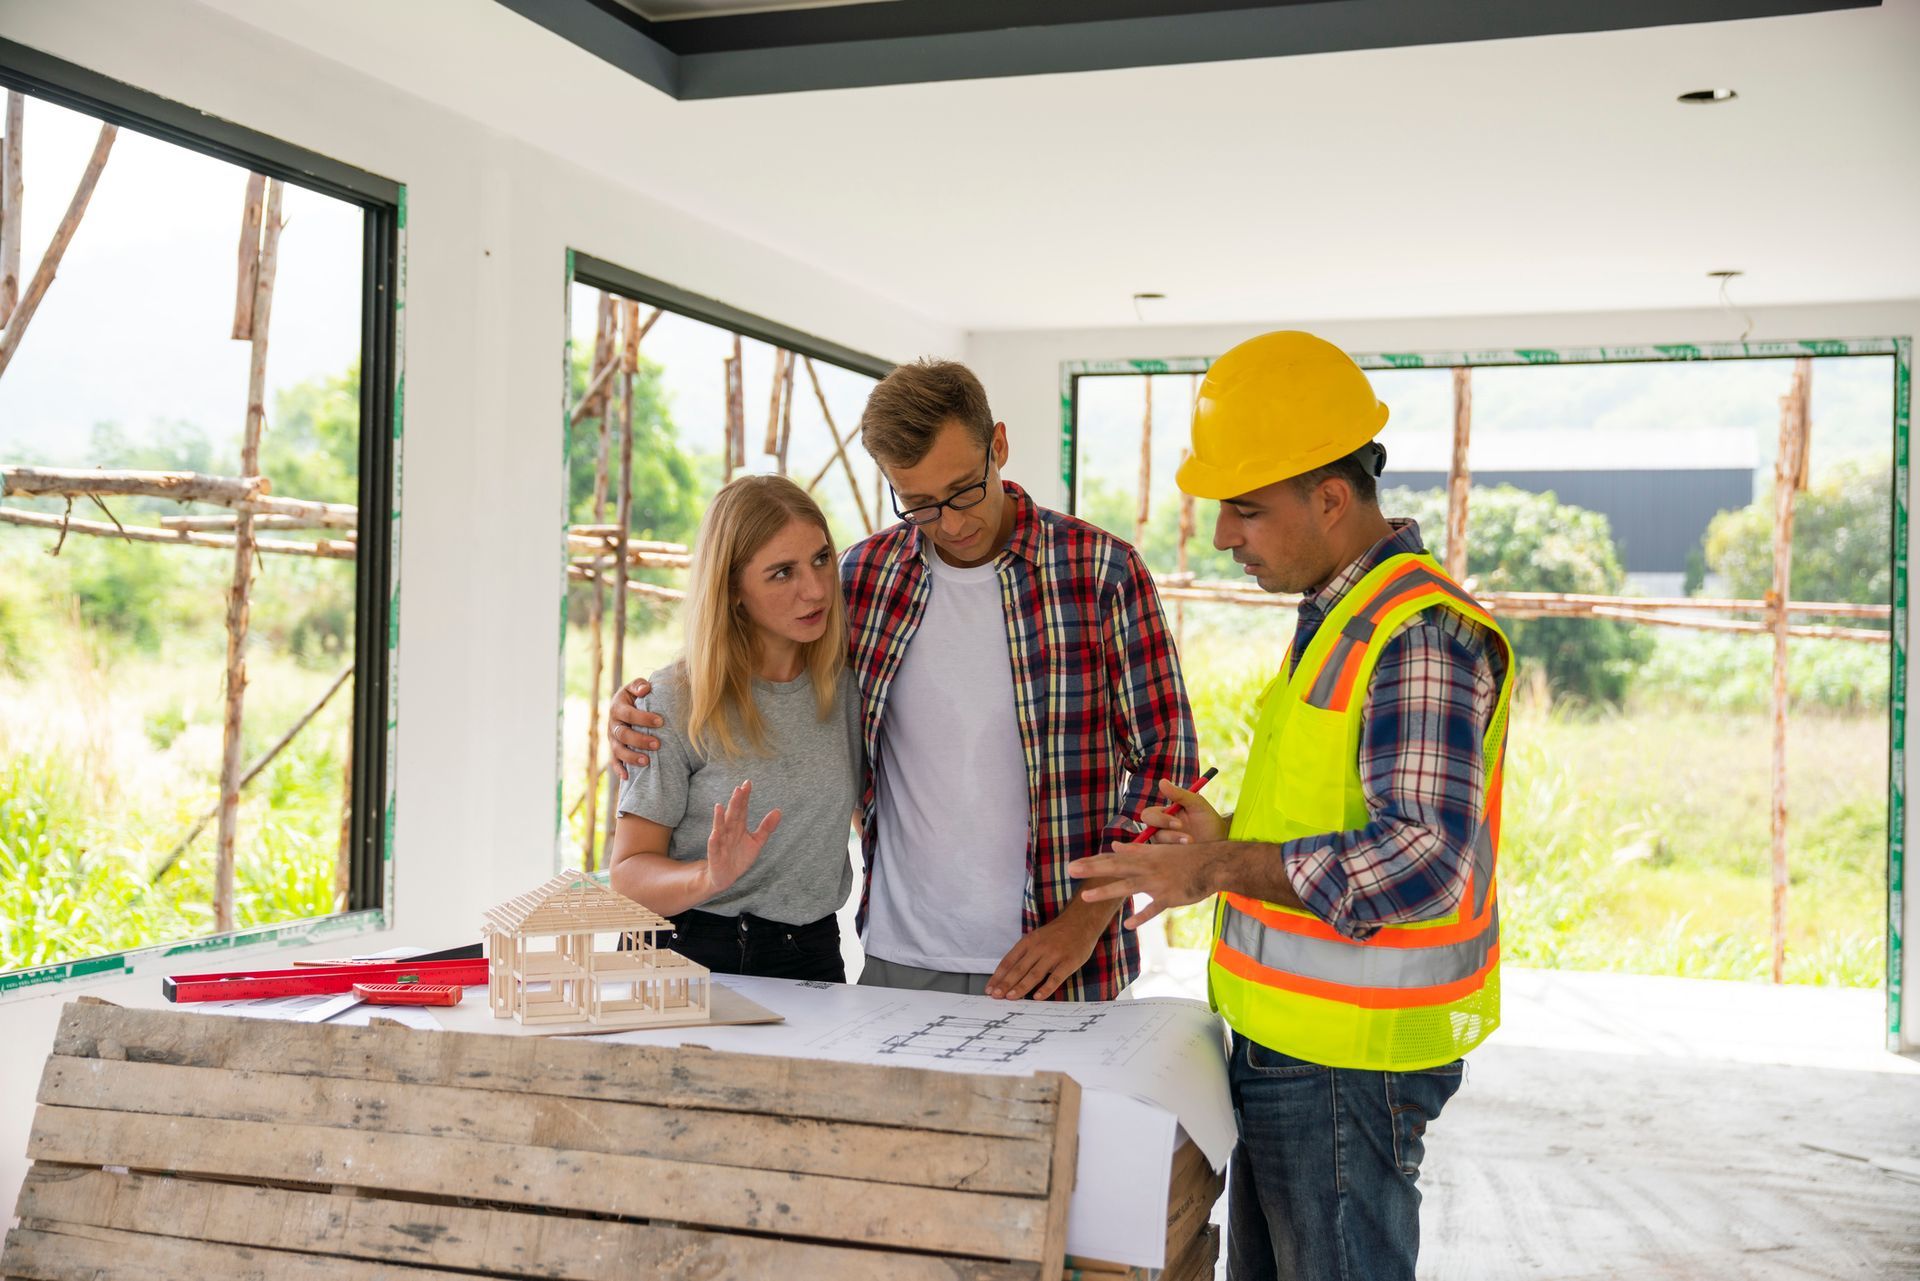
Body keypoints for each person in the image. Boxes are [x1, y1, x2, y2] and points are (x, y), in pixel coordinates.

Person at [1068, 331, 1515, 1280]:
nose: (1227, 535)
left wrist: (1218, 869)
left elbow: (1425, 857)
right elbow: (1343, 812)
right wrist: (1224, 837)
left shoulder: (1416, 633)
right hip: (1296, 1050)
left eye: (1246, 509)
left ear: (1330, 497)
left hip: (1347, 1067)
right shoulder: (1340, 618)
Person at [609, 358, 1197, 1001]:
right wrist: (638, 709)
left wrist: (1085, 920)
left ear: (999, 445)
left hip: (1061, 956)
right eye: (919, 504)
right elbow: (758, 663)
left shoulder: (1102, 573)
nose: (953, 523)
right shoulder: (865, 579)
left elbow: (1168, 764)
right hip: (896, 957)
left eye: (966, 490)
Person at [606, 474, 861, 982]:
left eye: (820, 559)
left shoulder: (853, 687)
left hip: (811, 950)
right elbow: (628, 875)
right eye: (782, 573)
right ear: (733, 590)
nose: (814, 589)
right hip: (684, 949)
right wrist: (709, 876)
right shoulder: (673, 702)